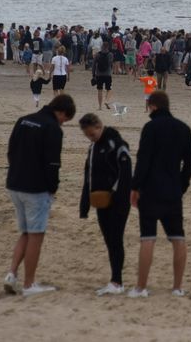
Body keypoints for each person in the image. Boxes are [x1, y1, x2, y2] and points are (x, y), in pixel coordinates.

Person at [3, 94, 76, 297]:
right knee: (36, 235)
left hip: (14, 183)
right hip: (35, 189)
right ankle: (29, 284)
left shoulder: (23, 120)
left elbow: (11, 151)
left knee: (26, 232)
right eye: (65, 119)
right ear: (61, 112)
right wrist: (53, 189)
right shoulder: (52, 128)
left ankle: (12, 274)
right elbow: (53, 164)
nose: (63, 123)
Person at [130, 91, 191, 298]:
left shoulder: (150, 128)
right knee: (178, 238)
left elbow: (143, 160)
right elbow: (190, 163)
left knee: (147, 238)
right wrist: (182, 184)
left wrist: (135, 187)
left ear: (153, 106)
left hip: (150, 190)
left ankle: (141, 287)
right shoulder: (183, 128)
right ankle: (177, 287)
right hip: (172, 190)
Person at [78, 113, 133, 296]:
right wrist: (84, 204)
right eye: (87, 136)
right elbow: (89, 176)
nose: (90, 138)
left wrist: (117, 197)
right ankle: (115, 280)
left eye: (92, 134)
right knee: (109, 241)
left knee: (116, 240)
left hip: (118, 203)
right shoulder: (93, 148)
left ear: (99, 126)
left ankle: (117, 282)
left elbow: (126, 174)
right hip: (100, 202)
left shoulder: (116, 145)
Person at [93, 44, 114, 110]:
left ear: (101, 47)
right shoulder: (110, 54)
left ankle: (100, 106)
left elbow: (94, 65)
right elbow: (111, 64)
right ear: (108, 48)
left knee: (100, 90)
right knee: (109, 89)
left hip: (99, 74)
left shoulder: (97, 54)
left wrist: (93, 74)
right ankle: (106, 101)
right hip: (107, 74)